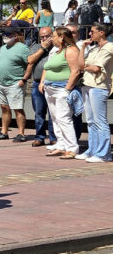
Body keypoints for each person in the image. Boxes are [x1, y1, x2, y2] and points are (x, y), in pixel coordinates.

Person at [41, 27, 83, 159]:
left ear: (61, 37)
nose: (51, 39)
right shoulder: (58, 51)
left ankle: (72, 148)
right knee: (55, 118)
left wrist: (67, 89)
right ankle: (61, 144)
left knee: (64, 118)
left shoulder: (71, 50)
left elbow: (75, 71)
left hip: (61, 89)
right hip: (50, 89)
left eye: (53, 36)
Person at [78, 24, 113, 163]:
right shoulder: (92, 48)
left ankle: (104, 154)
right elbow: (80, 65)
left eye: (92, 32)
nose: (90, 34)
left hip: (99, 87)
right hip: (87, 85)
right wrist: (83, 48)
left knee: (100, 121)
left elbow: (96, 68)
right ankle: (92, 150)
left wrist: (85, 66)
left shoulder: (109, 47)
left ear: (102, 32)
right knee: (90, 121)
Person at [0, 27, 31, 142]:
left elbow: (30, 64)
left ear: (16, 35)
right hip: (1, 82)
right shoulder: (3, 48)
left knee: (17, 109)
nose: (5, 36)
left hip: (15, 83)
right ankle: (4, 132)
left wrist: (24, 79)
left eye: (8, 34)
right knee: (4, 107)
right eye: (4, 34)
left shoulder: (23, 48)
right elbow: (1, 63)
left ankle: (21, 134)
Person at [24, 28, 55, 147]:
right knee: (39, 112)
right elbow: (30, 60)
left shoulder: (57, 48)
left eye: (47, 36)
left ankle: (53, 137)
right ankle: (40, 137)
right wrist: (43, 48)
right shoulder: (36, 47)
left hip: (52, 83)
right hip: (37, 84)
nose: (44, 39)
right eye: (42, 37)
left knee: (53, 113)